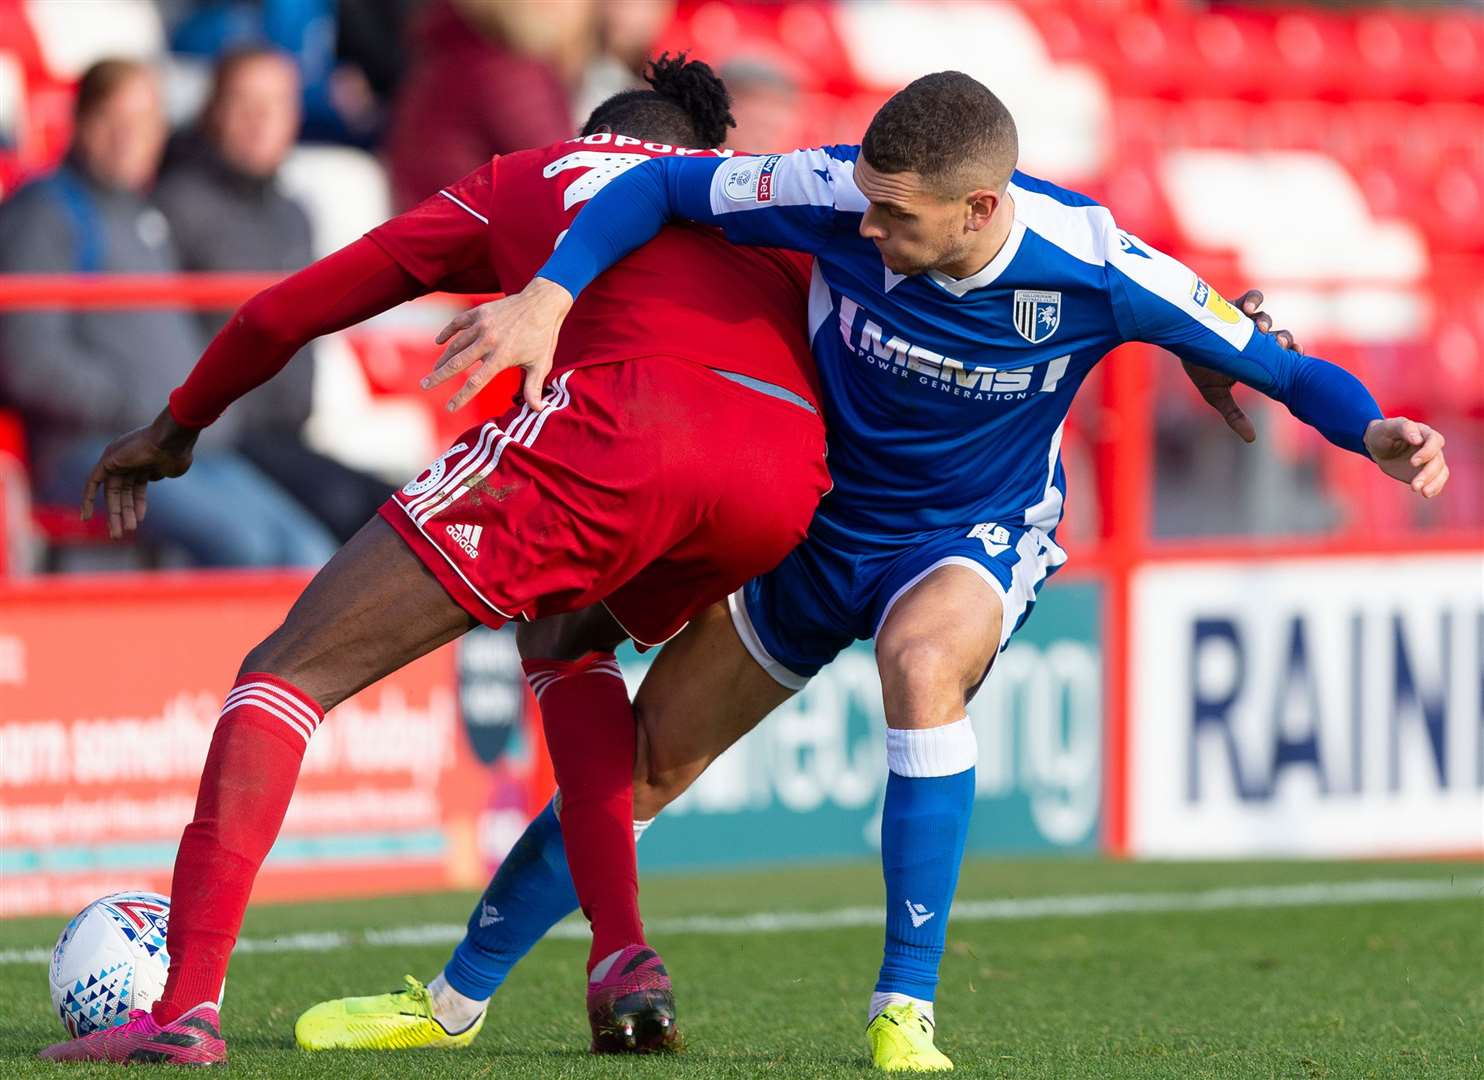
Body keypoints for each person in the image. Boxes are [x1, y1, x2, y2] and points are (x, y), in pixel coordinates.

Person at [402, 71, 1450, 1071]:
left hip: (971, 534)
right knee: (644, 765)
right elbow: (660, 184)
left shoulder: (1094, 263)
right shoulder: (830, 190)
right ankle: (451, 1002)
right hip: (818, 528)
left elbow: (1278, 363)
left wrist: (1373, 433)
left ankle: (902, 1008)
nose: (863, 230)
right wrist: (549, 293)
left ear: (979, 208)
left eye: (894, 216)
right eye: (864, 203)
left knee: (919, 663)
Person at [38, 54, 831, 1066]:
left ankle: (185, 1010)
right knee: (562, 634)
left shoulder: (533, 176)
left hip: (619, 432)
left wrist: (177, 425)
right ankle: (621, 956)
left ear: (595, 136)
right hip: (781, 480)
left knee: (284, 674)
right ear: (702, 147)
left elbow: (284, 312)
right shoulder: (752, 199)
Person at [0, 58, 338, 570]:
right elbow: (28, 361)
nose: (129, 138)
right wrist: (133, 402)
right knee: (251, 550)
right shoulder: (44, 213)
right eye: (115, 120)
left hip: (172, 445)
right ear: (82, 122)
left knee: (312, 555)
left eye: (145, 123)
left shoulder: (142, 214)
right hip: (95, 450)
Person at [155, 46, 392, 542]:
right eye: (246, 104)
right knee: (356, 517)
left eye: (276, 104)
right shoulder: (178, 206)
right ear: (214, 111)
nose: (261, 121)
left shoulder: (294, 212)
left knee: (400, 499)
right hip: (222, 438)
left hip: (291, 435)